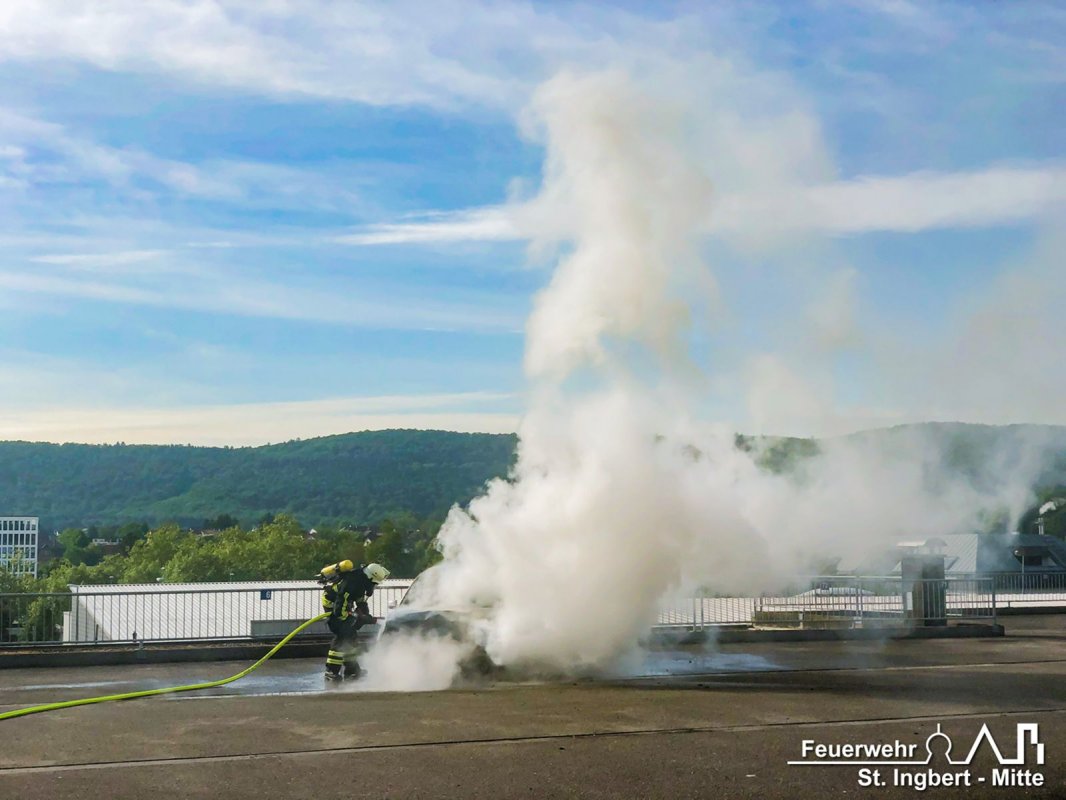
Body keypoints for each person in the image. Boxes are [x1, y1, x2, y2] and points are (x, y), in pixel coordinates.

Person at [321, 561, 390, 682]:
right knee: (342, 636)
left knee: (351, 636)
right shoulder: (352, 582)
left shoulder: (361, 582)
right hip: (333, 605)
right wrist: (346, 618)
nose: (374, 585)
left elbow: (360, 600)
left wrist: (364, 614)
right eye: (374, 583)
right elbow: (341, 601)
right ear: (370, 578)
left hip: (342, 605)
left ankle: (352, 670)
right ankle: (331, 671)